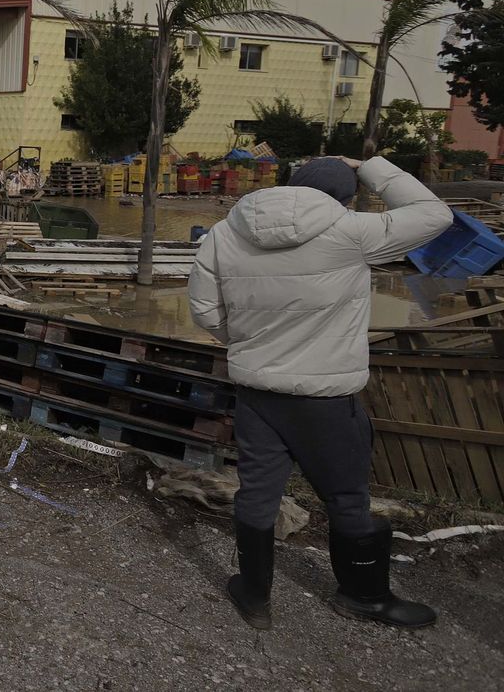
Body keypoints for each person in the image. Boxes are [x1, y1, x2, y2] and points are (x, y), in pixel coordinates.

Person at [188, 155, 453, 631]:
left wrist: (250, 344)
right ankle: (363, 597)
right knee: (347, 497)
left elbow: (206, 310)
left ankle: (253, 595)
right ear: (344, 196)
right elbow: (435, 214)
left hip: (256, 392)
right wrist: (371, 164)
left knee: (259, 491)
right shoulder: (351, 231)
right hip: (325, 399)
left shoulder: (225, 233)